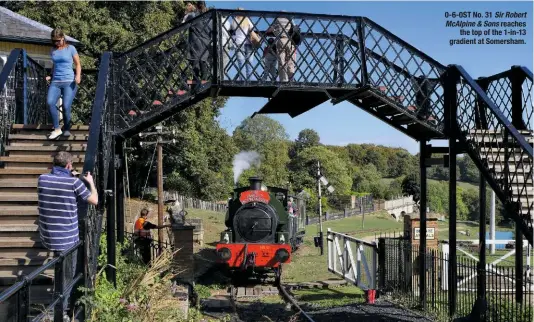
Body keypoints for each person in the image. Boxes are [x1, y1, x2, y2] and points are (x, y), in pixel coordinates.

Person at [37, 151, 98, 321]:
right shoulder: (74, 183)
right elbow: (94, 200)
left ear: (53, 164)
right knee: (67, 274)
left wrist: (68, 174)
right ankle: (62, 310)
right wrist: (90, 183)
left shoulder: (42, 179)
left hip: (48, 236)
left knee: (60, 267)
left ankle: (61, 302)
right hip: (66, 239)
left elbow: (56, 179)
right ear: (69, 165)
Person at [46, 28, 82, 140]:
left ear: (63, 38)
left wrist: (78, 75)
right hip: (56, 81)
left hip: (69, 81)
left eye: (58, 40)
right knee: (50, 102)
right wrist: (50, 75)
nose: (56, 43)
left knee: (66, 106)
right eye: (54, 41)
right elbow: (55, 65)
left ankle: (66, 128)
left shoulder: (71, 48)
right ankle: (57, 129)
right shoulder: (53, 50)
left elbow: (78, 64)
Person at [183, 1, 212, 89]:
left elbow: (183, 23)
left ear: (196, 6)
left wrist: (186, 12)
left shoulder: (192, 15)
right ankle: (203, 79)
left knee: (195, 61)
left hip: (195, 41)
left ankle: (196, 81)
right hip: (206, 42)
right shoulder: (209, 18)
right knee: (203, 60)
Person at [267, 13, 296, 82]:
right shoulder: (289, 19)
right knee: (290, 61)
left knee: (281, 61)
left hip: (281, 40)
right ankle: (291, 78)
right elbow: (295, 28)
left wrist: (272, 31)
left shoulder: (277, 19)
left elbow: (269, 30)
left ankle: (283, 79)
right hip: (289, 41)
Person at [229, 8, 255, 81]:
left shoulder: (235, 20)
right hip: (248, 44)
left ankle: (242, 81)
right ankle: (249, 81)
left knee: (241, 64)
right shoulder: (247, 20)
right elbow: (252, 29)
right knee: (249, 64)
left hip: (239, 43)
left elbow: (231, 28)